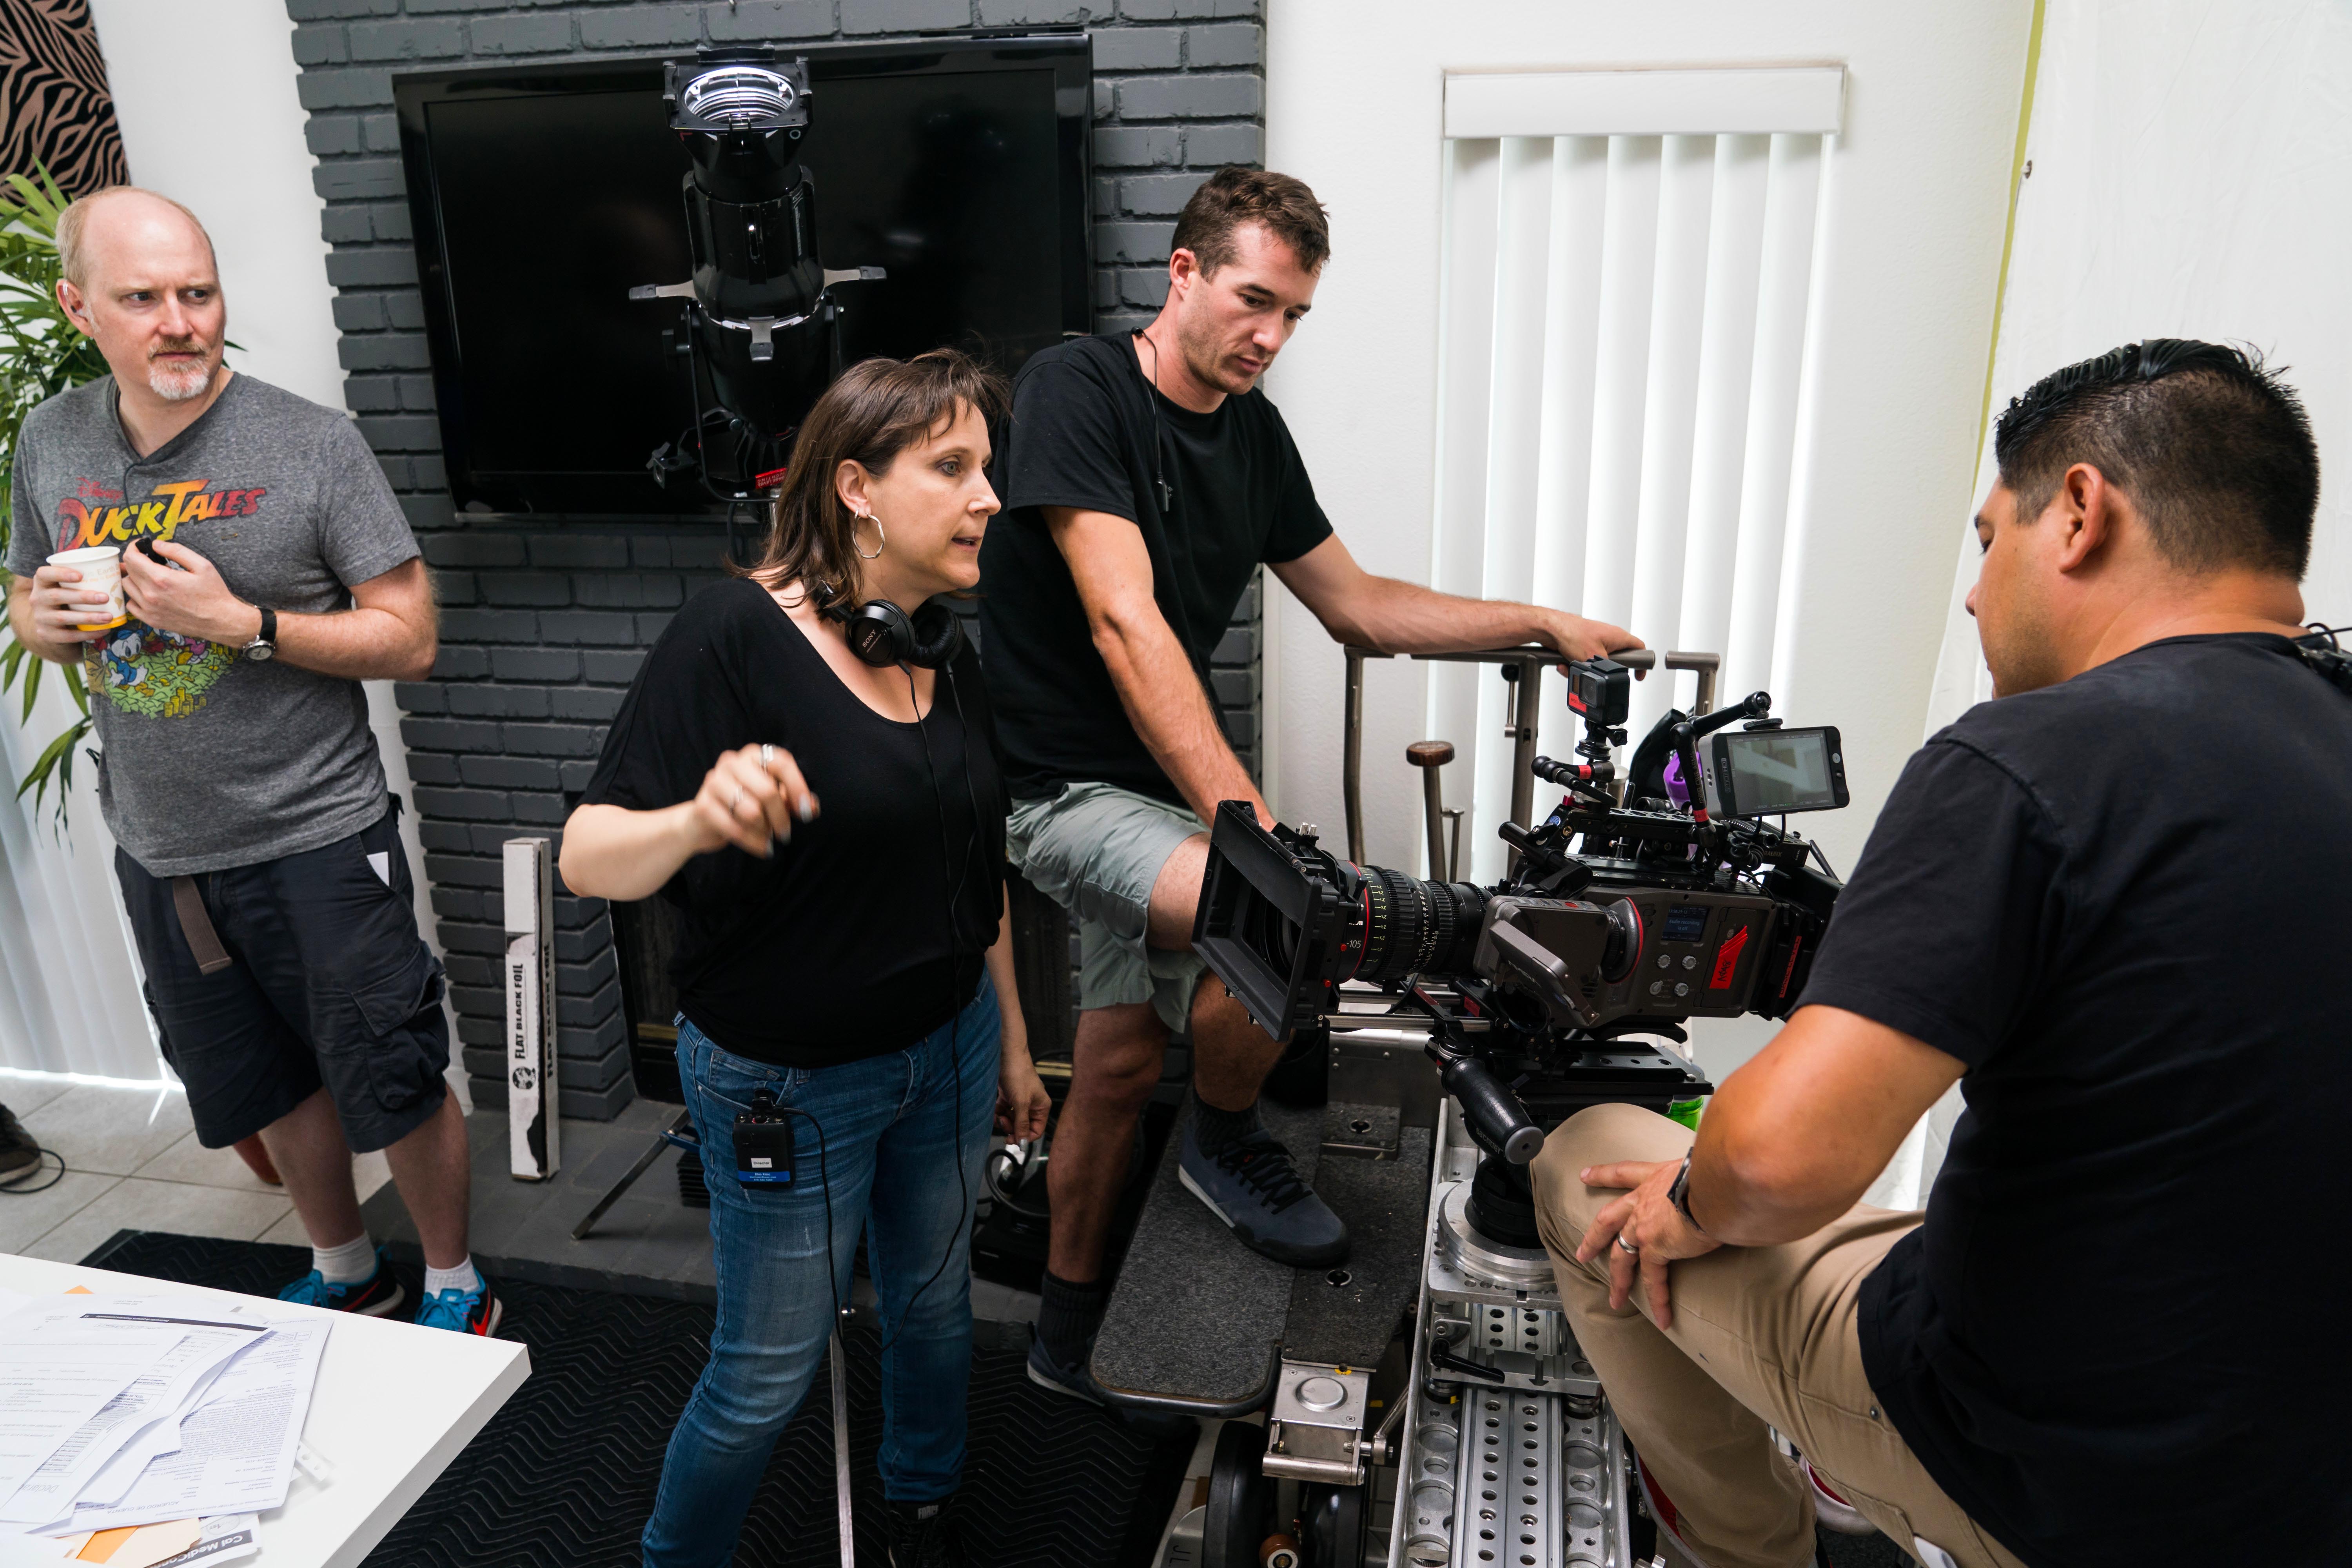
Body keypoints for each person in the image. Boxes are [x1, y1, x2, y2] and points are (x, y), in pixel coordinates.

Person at [1531, 340, 2352, 1568]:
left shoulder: (2026, 760)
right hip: (2303, 1488)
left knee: (1592, 1166)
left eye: (1987, 538)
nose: (1974, 594)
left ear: (2079, 512)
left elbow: (1778, 1157)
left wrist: (1695, 1199)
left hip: (2051, 1479)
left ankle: (1751, 1548)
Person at [980, 165, 1642, 1403]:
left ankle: (1063, 1343)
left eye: (1293, 317)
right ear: (1182, 274)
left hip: (1161, 795)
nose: (1270, 338)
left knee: (1119, 1069)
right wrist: (1250, 832)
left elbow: (1358, 603)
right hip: (1064, 792)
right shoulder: (1077, 389)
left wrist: (1542, 620)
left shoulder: (1253, 434)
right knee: (1281, 914)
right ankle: (1224, 1146)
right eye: (1252, 300)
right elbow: (1126, 626)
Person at [559, 350, 1051, 1568]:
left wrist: (1017, 1044)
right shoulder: (729, 635)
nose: (990, 495)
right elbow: (585, 855)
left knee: (937, 1307)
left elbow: (970, 871)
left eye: (988, 467)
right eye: (953, 467)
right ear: (856, 488)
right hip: (789, 1083)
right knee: (767, 1369)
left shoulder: (938, 646)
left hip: (947, 1050)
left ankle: (923, 1506)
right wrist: (695, 820)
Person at [3, 187, 491, 1331]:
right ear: (81, 309)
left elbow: (411, 638)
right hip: (163, 847)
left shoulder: (310, 443)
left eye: (199, 292)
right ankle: (345, 1269)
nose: (180, 322)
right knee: (267, 1080)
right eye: (144, 299)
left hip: (315, 837)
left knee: (390, 1070)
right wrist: (47, 624)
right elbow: (27, 597)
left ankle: (459, 1286)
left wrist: (247, 625)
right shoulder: (53, 438)